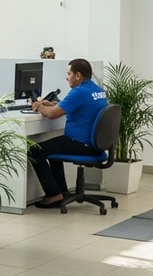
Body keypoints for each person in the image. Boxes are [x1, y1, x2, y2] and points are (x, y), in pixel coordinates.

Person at [27, 58, 108, 208]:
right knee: (53, 147)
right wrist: (53, 105)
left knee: (34, 150)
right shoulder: (97, 90)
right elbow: (73, 107)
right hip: (95, 145)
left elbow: (51, 114)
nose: (66, 77)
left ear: (78, 75)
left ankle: (52, 194)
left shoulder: (79, 92)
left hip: (80, 143)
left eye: (69, 73)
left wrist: (38, 106)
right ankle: (61, 192)